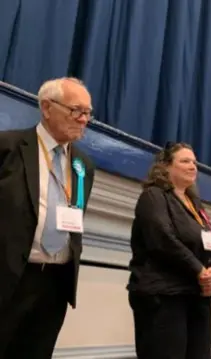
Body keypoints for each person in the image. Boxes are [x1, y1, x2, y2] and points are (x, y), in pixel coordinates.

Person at [0, 77, 96, 359]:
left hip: (55, 285)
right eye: (76, 110)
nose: (83, 120)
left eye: (87, 113)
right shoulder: (8, 147)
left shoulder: (83, 165)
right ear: (46, 107)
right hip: (10, 278)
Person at [126, 142, 211, 359]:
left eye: (194, 162)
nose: (193, 166)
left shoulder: (194, 202)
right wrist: (200, 271)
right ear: (166, 167)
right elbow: (163, 239)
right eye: (185, 161)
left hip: (197, 295)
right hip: (164, 296)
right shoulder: (153, 196)